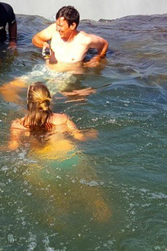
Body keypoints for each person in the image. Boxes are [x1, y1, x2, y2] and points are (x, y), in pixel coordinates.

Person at [8, 82, 110, 223]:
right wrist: (92, 133)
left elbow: (13, 147)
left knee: (57, 199)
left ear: (29, 102)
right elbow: (79, 137)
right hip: (69, 157)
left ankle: (60, 215)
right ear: (48, 100)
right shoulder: (62, 118)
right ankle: (101, 211)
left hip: (41, 164)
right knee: (90, 192)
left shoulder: (19, 125)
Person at [32, 6, 108, 67]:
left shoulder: (85, 40)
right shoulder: (53, 30)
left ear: (72, 25)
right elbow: (36, 38)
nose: (57, 28)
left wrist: (97, 58)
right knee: (23, 80)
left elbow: (104, 44)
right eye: (57, 24)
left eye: (60, 26)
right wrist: (43, 44)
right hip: (46, 71)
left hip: (69, 76)